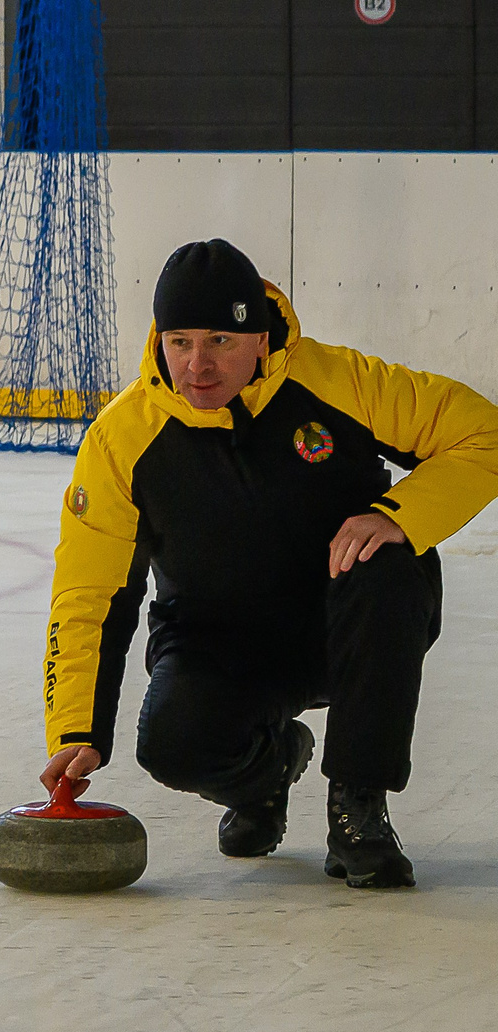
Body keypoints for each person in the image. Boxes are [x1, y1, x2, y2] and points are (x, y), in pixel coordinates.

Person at [40, 239, 498, 888]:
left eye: (221, 341)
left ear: (260, 337)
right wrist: (76, 726)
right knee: (170, 742)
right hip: (217, 642)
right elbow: (90, 588)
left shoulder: (339, 382)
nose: (197, 364)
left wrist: (399, 514)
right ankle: (266, 773)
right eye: (179, 341)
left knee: (390, 564)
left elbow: (484, 432)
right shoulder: (122, 439)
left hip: (343, 627)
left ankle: (358, 806)